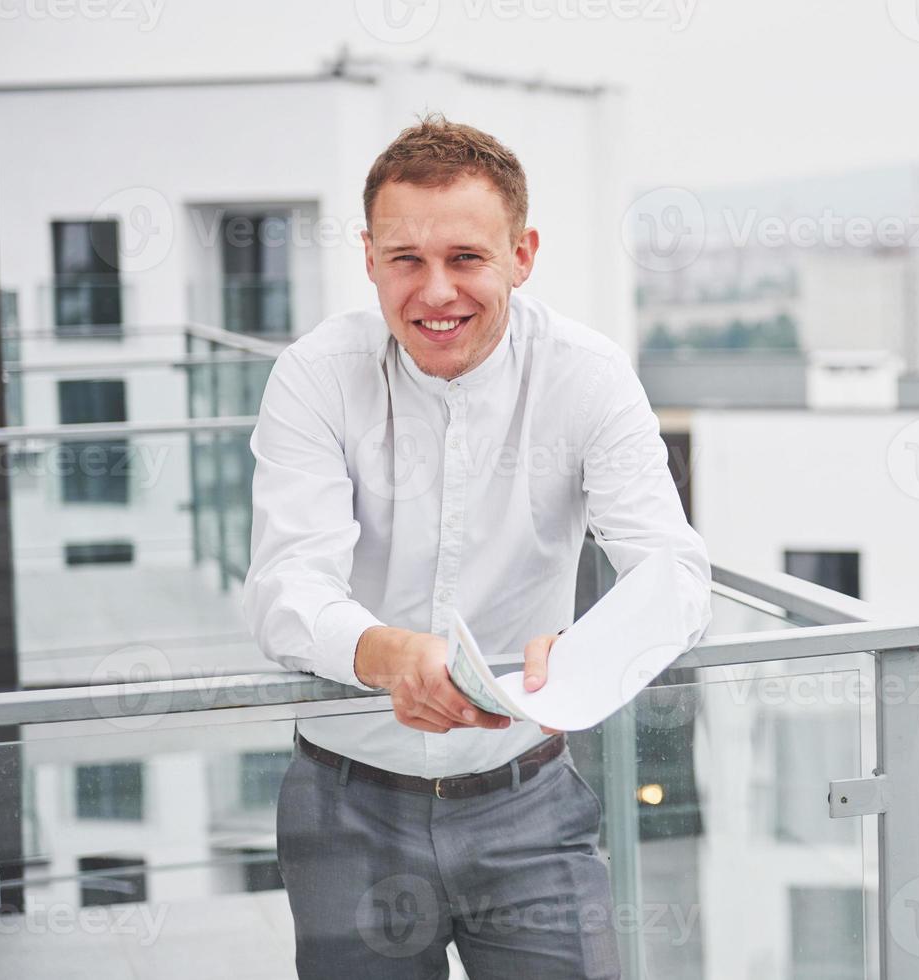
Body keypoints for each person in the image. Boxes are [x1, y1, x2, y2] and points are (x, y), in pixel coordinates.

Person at [241, 114, 713, 980]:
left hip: (528, 798)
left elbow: (675, 573)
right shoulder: (314, 374)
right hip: (345, 807)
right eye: (405, 260)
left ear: (522, 255)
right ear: (370, 258)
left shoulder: (589, 375)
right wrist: (385, 655)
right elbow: (284, 585)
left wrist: (588, 649)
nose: (434, 292)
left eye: (465, 258)